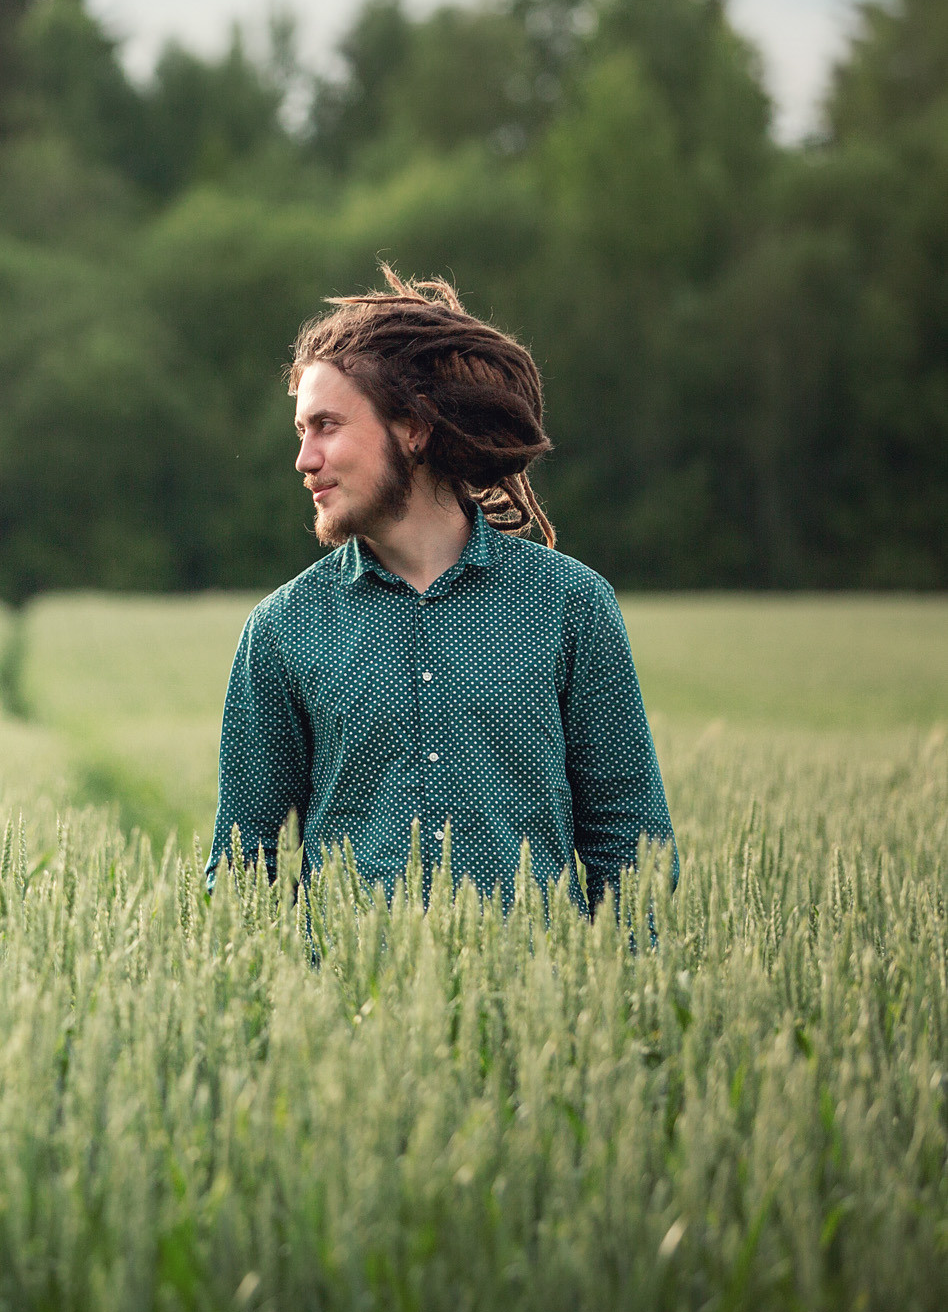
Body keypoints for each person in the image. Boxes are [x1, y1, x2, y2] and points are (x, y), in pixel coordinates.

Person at [208, 267, 672, 910]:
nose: (304, 459)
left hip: (533, 1003)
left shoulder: (569, 605)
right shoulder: (283, 629)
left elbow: (632, 847)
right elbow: (242, 868)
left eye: (327, 426)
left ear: (414, 429)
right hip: (343, 1004)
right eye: (301, 431)